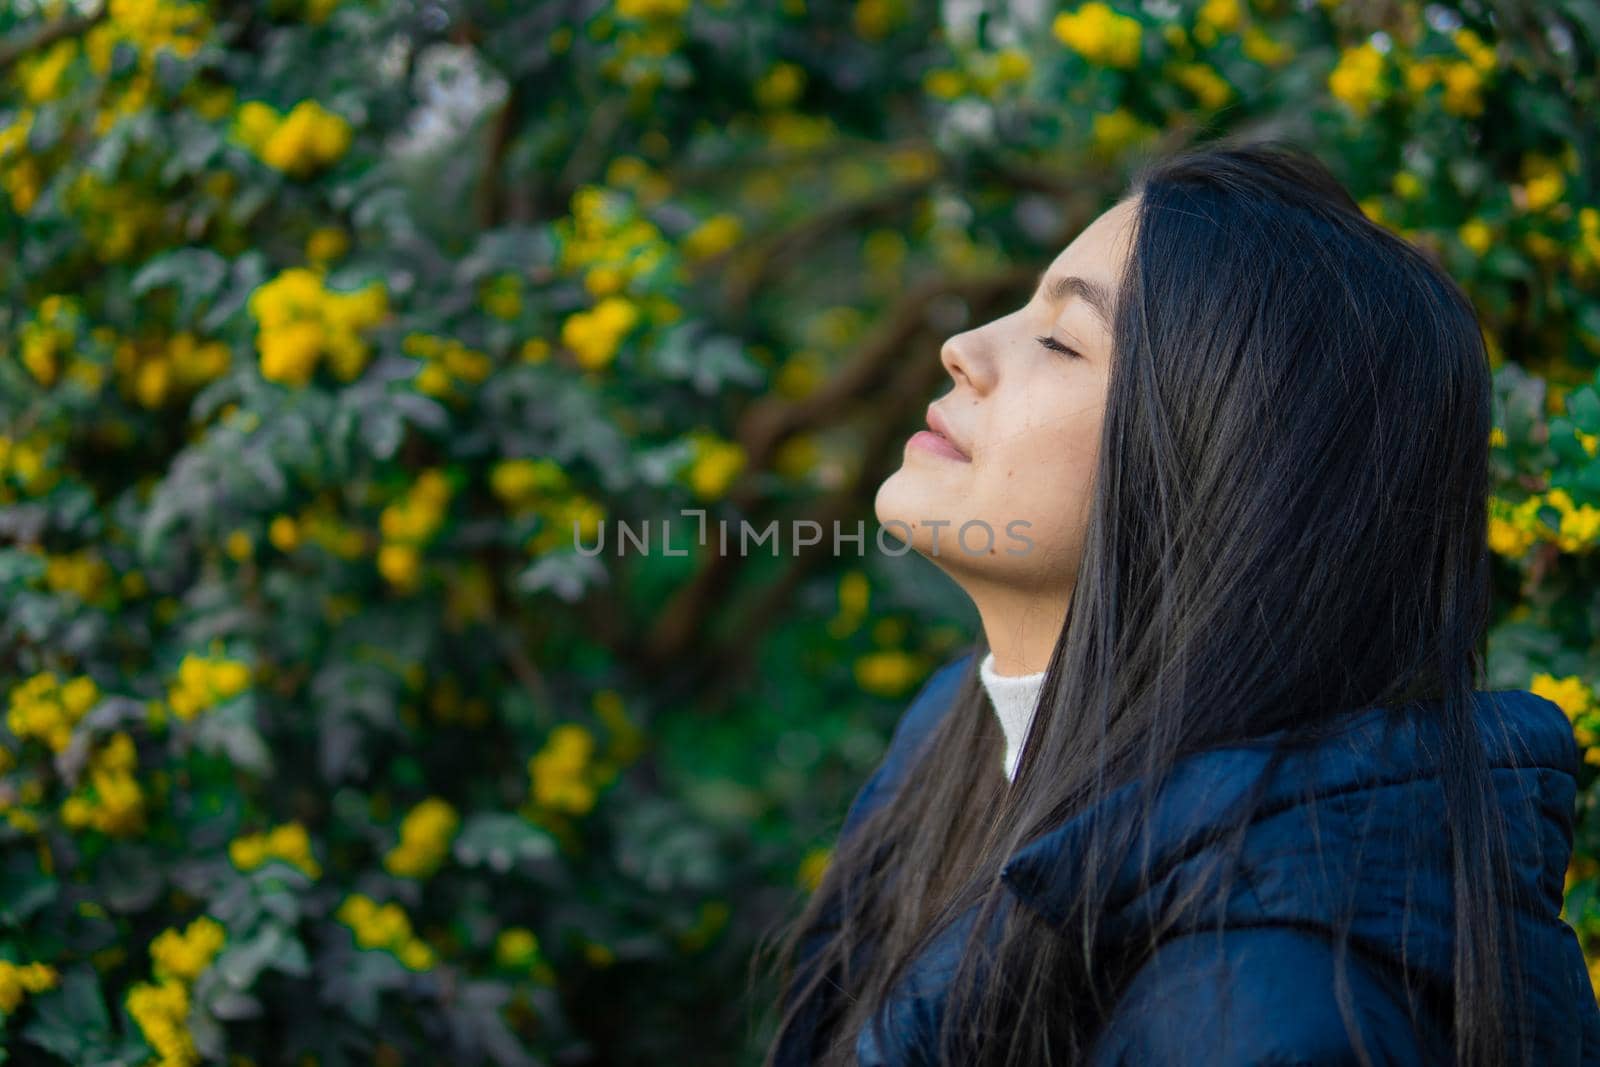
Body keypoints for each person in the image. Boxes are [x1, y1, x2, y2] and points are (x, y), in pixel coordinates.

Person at [759, 138, 1600, 1066]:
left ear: (1229, 473)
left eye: (1059, 340)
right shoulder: (958, 742)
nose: (962, 348)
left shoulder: (1268, 1008)